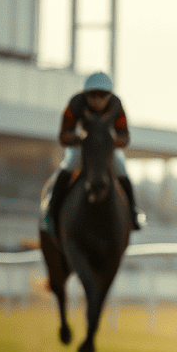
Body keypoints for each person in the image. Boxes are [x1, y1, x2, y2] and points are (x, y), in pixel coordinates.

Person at [40, 71, 144, 233]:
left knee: (121, 169)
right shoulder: (76, 103)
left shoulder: (116, 104)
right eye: (93, 95)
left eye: (103, 96)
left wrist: (107, 141)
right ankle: (50, 213)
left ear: (109, 96)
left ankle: (133, 212)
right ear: (85, 95)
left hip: (106, 147)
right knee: (68, 166)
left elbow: (124, 136)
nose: (98, 100)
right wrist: (82, 139)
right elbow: (64, 135)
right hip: (82, 146)